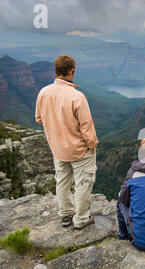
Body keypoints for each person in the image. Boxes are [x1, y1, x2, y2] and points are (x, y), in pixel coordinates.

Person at [35, 55, 98, 229]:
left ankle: (66, 214)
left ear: (56, 71)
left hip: (57, 148)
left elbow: (39, 118)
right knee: (83, 182)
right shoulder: (76, 96)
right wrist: (91, 145)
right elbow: (86, 126)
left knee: (62, 181)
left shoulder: (43, 93)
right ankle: (82, 219)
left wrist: (56, 126)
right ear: (71, 71)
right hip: (79, 149)